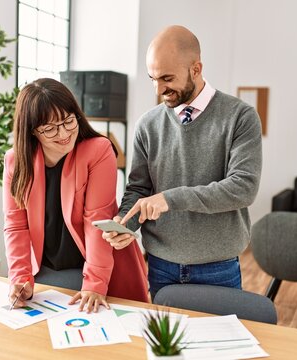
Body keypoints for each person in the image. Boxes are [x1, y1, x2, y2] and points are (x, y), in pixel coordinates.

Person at [103, 25, 262, 299]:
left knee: (217, 341)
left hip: (218, 267)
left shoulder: (240, 117)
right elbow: (138, 190)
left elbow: (243, 188)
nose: (159, 89)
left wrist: (170, 199)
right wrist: (125, 224)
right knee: (165, 342)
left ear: (196, 69)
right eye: (153, 79)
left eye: (167, 78)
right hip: (160, 265)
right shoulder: (147, 125)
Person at [3, 78, 149, 312]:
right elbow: (16, 225)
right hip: (50, 271)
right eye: (50, 128)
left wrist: (95, 283)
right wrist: (19, 278)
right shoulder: (15, 161)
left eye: (69, 121)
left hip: (100, 267)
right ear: (31, 131)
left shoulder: (98, 150)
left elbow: (96, 221)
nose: (63, 134)